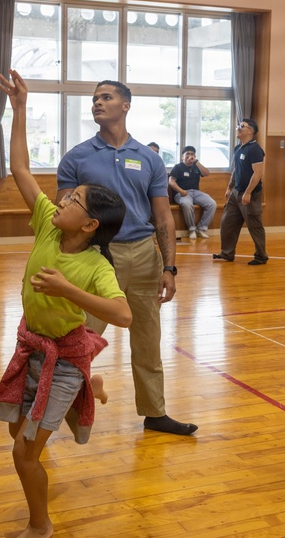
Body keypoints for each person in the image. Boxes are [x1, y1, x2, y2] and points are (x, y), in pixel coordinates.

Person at [0, 69, 132, 538]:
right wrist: (18, 111)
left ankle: (41, 526)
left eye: (72, 200)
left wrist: (69, 291)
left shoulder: (96, 266)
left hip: (62, 357)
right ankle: (89, 385)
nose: (61, 202)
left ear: (90, 224)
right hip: (32, 350)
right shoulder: (50, 225)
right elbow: (20, 169)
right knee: (19, 434)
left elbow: (124, 316)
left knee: (23, 453)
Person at [58, 79, 197, 436]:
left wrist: (169, 267)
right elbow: (65, 215)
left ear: (126, 105)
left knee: (148, 340)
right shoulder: (77, 157)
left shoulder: (148, 158)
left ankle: (155, 412)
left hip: (144, 256)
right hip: (97, 257)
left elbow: (164, 217)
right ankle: (55, 406)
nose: (97, 104)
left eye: (106, 97)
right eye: (94, 99)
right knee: (81, 340)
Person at [213, 118, 267, 265]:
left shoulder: (255, 150)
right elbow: (236, 170)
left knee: (254, 226)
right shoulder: (238, 148)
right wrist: (230, 187)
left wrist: (248, 192)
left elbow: (257, 173)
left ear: (250, 131)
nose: (238, 128)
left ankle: (261, 256)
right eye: (238, 125)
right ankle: (227, 253)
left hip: (251, 194)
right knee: (227, 223)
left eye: (242, 126)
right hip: (236, 193)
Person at [169, 146, 217, 240]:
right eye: (187, 154)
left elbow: (207, 173)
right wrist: (181, 191)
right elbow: (171, 181)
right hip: (182, 193)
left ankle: (202, 228)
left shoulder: (196, 166)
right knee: (187, 204)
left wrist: (196, 162)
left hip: (196, 192)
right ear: (182, 156)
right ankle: (191, 229)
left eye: (192, 154)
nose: (189, 156)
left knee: (212, 203)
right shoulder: (178, 167)